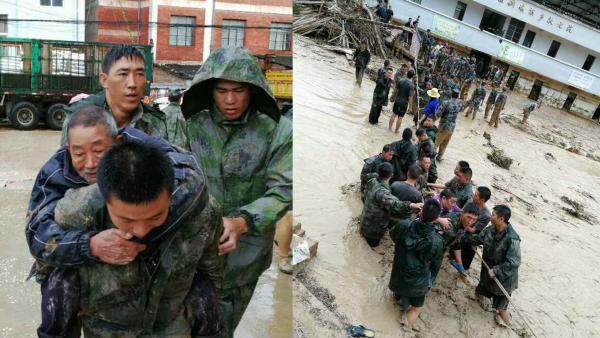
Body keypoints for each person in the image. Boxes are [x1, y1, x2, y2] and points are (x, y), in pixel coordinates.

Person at [26, 107, 224, 337]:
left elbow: (211, 272)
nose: (90, 163)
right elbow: (38, 240)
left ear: (117, 142)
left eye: (99, 150)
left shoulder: (192, 201)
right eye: (79, 153)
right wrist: (90, 245)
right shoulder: (69, 201)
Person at [182, 47, 292, 335]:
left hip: (245, 259)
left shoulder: (278, 131)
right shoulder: (189, 125)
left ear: (254, 90)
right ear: (209, 90)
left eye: (239, 90)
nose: (230, 100)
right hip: (191, 257)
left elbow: (282, 189)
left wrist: (242, 221)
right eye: (221, 90)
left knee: (221, 328)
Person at [60, 44, 187, 149]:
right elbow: (67, 173)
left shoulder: (155, 122)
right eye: (123, 74)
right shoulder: (80, 118)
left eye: (139, 74)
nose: (132, 84)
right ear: (104, 80)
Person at [388, 199, 444, 331]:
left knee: (398, 294)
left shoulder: (404, 224)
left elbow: (393, 235)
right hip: (417, 280)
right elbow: (436, 262)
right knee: (417, 307)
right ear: (436, 218)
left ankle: (397, 300)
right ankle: (404, 327)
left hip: (398, 270)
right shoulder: (436, 240)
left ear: (421, 212)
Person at [466, 205, 521, 327]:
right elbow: (479, 239)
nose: (491, 217)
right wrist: (467, 237)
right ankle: (483, 302)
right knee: (480, 291)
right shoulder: (491, 229)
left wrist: (497, 270)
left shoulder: (512, 239)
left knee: (501, 308)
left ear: (501, 219)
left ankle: (509, 325)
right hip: (487, 271)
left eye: (493, 215)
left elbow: (514, 263)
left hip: (503, 279)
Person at [361, 162, 422, 247]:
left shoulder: (372, 180)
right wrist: (410, 205)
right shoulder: (383, 192)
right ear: (391, 175)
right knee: (373, 245)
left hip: (365, 219)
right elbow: (395, 204)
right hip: (373, 228)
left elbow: (364, 195)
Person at [451, 187, 492, 273]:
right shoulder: (470, 201)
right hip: (461, 226)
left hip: (470, 234)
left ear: (482, 200)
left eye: (476, 195)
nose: (473, 196)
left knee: (470, 243)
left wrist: (465, 222)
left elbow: (473, 230)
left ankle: (463, 265)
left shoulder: (486, 215)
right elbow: (462, 213)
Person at [435, 88, 464, 161]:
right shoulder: (459, 103)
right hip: (452, 127)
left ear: (451, 94)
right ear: (457, 96)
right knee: (445, 143)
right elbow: (462, 109)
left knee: (436, 141)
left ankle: (430, 156)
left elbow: (438, 114)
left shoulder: (446, 102)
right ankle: (439, 157)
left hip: (443, 126)